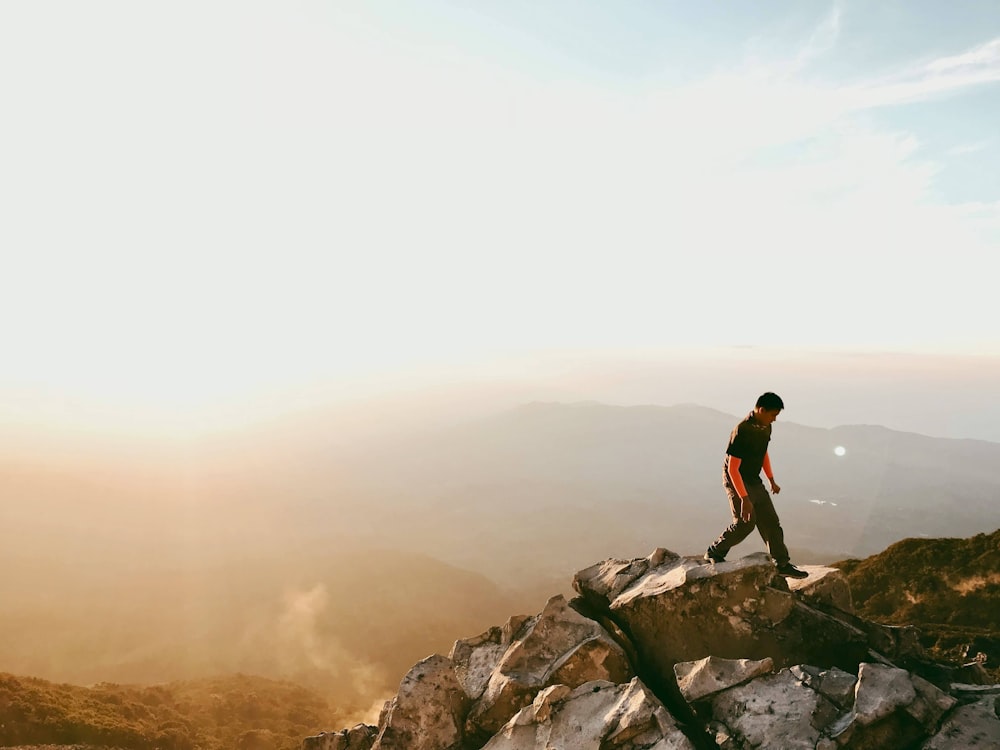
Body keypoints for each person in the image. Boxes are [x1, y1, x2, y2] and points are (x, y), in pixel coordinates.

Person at [704, 392, 809, 579]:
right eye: (773, 415)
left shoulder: (765, 427)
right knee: (745, 523)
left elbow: (763, 454)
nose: (774, 419)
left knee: (771, 522)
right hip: (735, 479)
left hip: (753, 479)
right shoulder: (742, 430)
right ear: (761, 410)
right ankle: (714, 551)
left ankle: (782, 563)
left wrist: (771, 479)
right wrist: (744, 498)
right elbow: (733, 469)